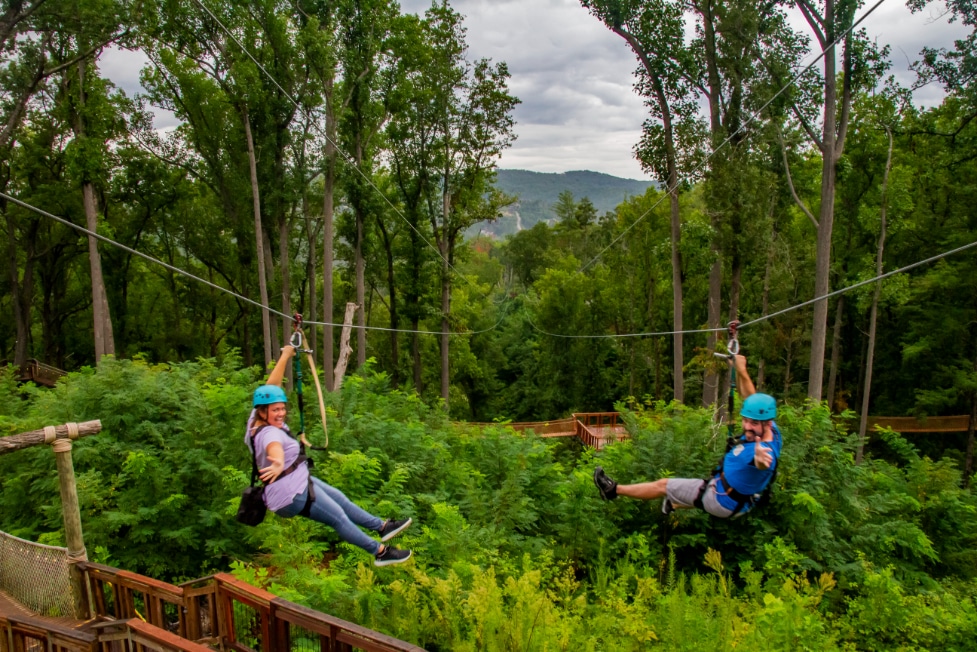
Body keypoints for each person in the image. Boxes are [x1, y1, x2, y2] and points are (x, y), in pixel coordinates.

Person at [246, 345, 413, 566]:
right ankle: (380, 552)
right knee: (338, 517)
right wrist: (277, 462)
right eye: (276, 410)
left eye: (282, 408)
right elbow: (273, 448)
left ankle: (382, 527)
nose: (281, 413)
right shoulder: (268, 434)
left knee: (341, 499)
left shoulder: (255, 420)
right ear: (263, 411)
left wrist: (286, 355)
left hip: (295, 482)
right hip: (291, 494)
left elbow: (271, 385)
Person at [593, 354, 782, 518]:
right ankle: (674, 504)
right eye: (746, 420)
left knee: (663, 485)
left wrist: (759, 458)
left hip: (720, 500)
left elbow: (763, 462)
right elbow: (751, 398)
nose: (748, 427)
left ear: (766, 422)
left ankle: (613, 490)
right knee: (693, 490)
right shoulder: (772, 430)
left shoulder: (765, 452)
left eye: (754, 423)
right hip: (732, 495)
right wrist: (741, 370)